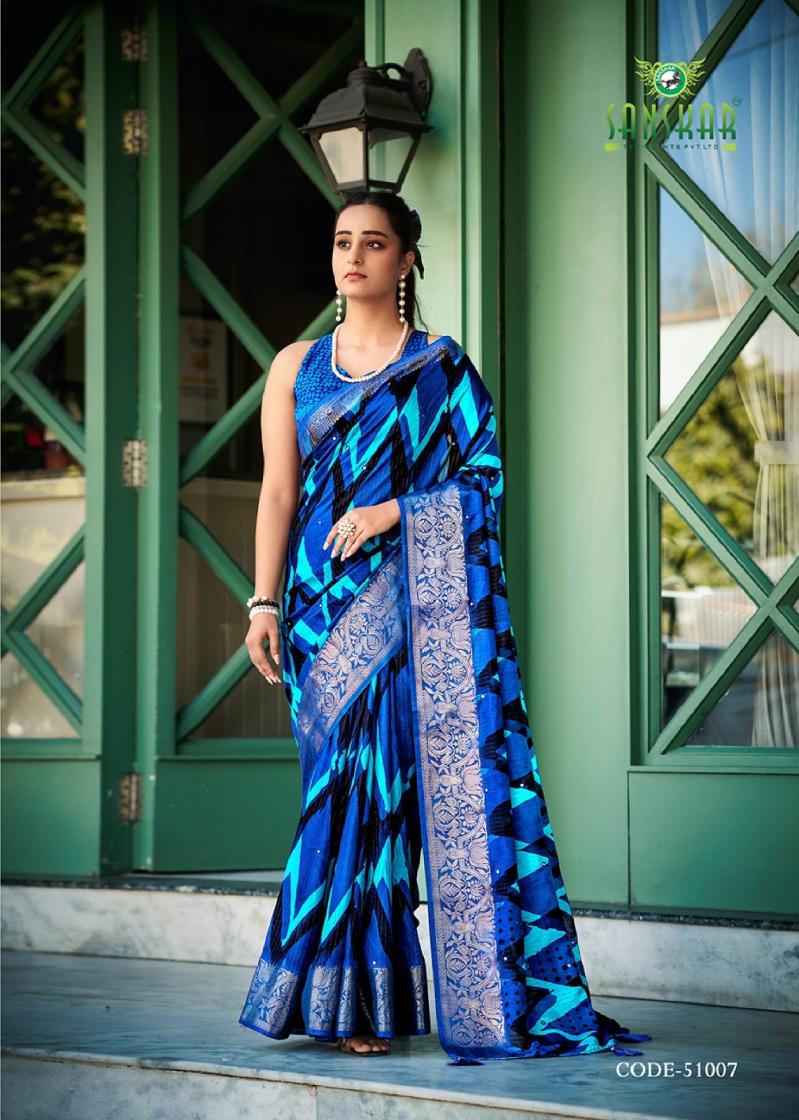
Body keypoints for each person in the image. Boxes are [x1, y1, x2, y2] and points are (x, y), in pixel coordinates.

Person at [238, 190, 652, 1063]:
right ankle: (326, 992)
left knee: (379, 803)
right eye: (342, 242)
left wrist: (394, 511)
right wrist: (262, 602)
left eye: (372, 242)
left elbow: (485, 479)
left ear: (406, 259)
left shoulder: (441, 368)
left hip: (406, 612)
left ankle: (361, 1002)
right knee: (329, 791)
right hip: (314, 609)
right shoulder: (295, 365)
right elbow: (277, 491)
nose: (353, 257)